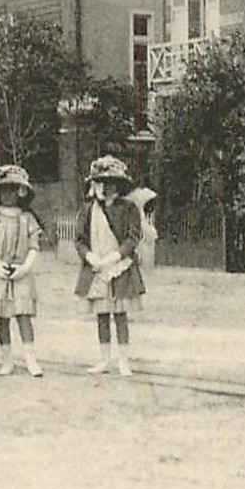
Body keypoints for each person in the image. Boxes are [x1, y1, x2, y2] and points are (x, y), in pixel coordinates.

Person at [74, 156, 147, 377]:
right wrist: (90, 257)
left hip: (120, 267)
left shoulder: (128, 208)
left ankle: (124, 360)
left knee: (121, 314)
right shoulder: (88, 210)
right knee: (102, 314)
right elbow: (79, 239)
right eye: (102, 181)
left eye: (112, 181)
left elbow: (133, 237)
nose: (107, 186)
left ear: (120, 184)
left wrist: (115, 256)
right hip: (96, 267)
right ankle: (104, 359)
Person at [0, 163, 43, 378]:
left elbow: (34, 246)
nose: (8, 194)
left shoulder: (27, 219)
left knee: (23, 315)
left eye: (13, 189)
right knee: (2, 317)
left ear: (20, 192)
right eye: (3, 189)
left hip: (20, 273)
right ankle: (7, 360)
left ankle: (31, 359)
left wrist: (24, 268)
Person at [124, 186, 159, 270]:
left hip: (142, 222)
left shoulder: (139, 195)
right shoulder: (135, 196)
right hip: (139, 221)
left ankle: (145, 264)